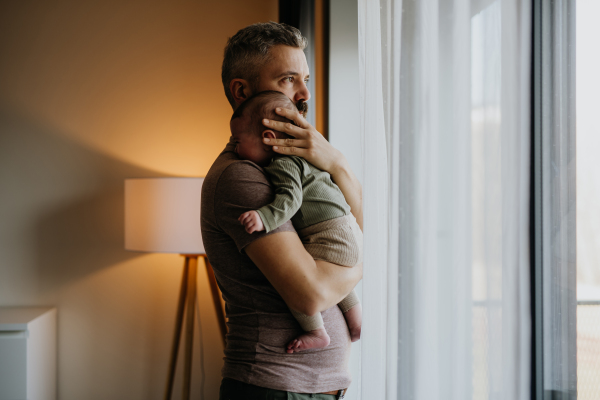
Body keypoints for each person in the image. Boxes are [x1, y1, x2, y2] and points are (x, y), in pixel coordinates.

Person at [201, 22, 363, 399]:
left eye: (305, 78)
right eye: (289, 79)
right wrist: (367, 253)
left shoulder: (299, 165)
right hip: (274, 388)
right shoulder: (243, 177)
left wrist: (337, 163)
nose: (305, 93)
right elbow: (312, 295)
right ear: (242, 92)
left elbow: (366, 226)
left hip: (304, 390)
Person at [231, 90, 363, 353]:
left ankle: (316, 331)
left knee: (297, 279)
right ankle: (356, 319)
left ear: (268, 137)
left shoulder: (282, 163)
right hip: (349, 231)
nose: (234, 147)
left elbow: (289, 200)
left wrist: (263, 217)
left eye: (237, 140)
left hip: (330, 233)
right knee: (334, 273)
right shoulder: (308, 159)